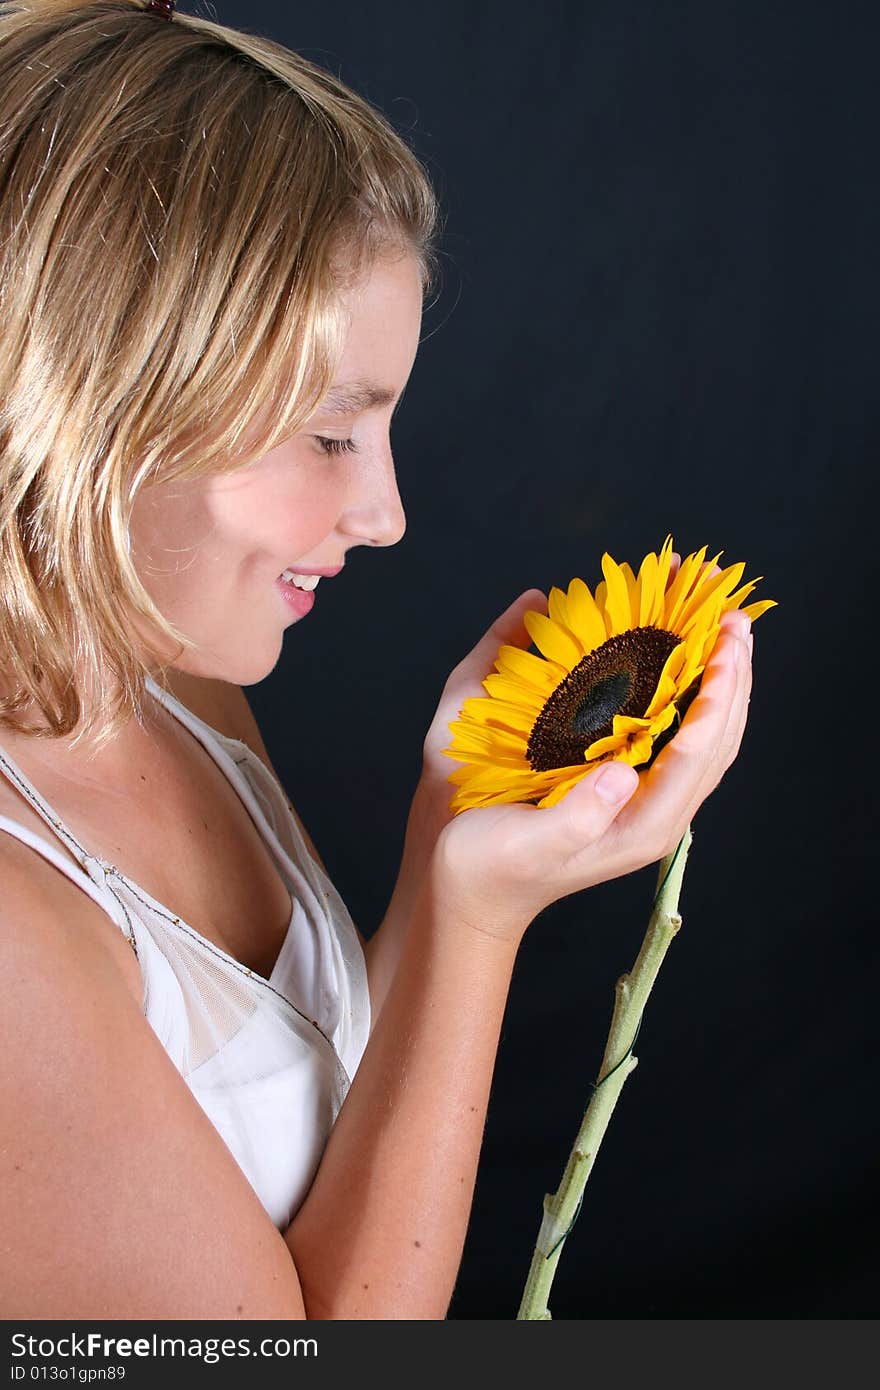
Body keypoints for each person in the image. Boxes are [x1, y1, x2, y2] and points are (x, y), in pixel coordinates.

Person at [0, 0, 754, 1320]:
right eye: (332, 437)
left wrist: (449, 833)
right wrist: (478, 924)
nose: (385, 513)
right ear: (101, 398)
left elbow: (347, 1122)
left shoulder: (169, 673)